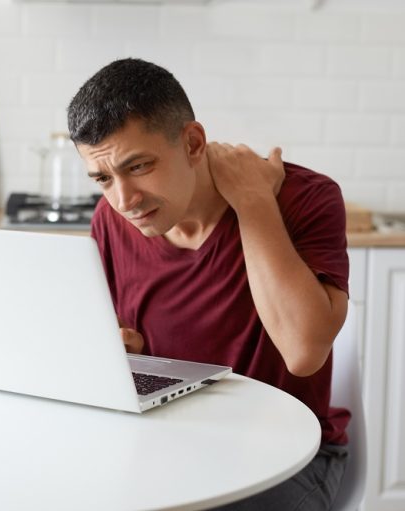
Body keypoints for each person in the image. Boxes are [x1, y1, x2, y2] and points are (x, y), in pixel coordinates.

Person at [67, 58, 350, 510]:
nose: (124, 200)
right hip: (168, 445)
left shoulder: (303, 198)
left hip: (287, 456)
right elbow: (114, 344)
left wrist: (253, 201)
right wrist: (114, 350)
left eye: (138, 166)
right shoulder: (112, 220)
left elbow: (302, 351)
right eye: (103, 178)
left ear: (194, 143)